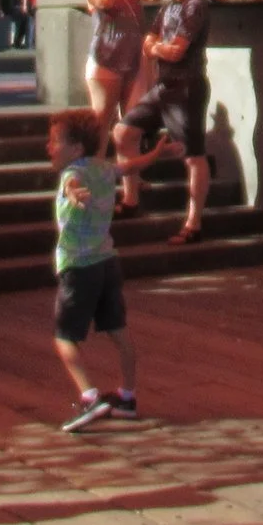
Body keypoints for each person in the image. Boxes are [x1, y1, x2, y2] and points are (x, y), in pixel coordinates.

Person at [49, 108, 182, 432]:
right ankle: (127, 396)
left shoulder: (73, 173)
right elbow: (131, 166)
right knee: (118, 331)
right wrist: (156, 152)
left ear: (76, 148)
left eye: (55, 141)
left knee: (64, 338)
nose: (49, 147)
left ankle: (90, 397)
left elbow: (72, 182)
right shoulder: (105, 169)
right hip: (107, 263)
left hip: (79, 267)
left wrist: (73, 193)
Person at [118, 0, 214, 242]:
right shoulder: (170, 5)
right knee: (123, 132)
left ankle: (193, 223)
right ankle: (130, 199)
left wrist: (157, 47)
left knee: (192, 155)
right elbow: (150, 41)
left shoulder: (195, 5)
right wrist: (158, 47)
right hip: (163, 85)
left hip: (185, 87)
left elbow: (177, 50)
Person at [83, 0, 161, 125]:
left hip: (133, 60)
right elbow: (106, 1)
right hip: (105, 60)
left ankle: (128, 153)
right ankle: (98, 154)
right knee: (102, 121)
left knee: (131, 124)